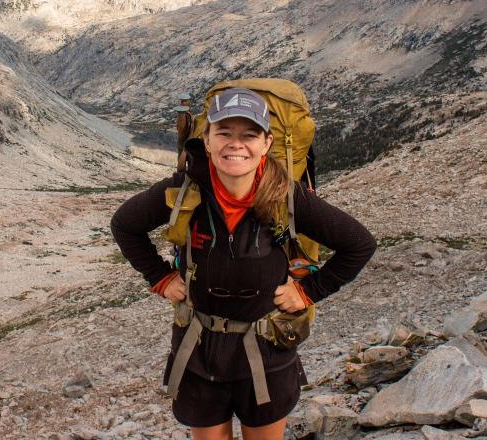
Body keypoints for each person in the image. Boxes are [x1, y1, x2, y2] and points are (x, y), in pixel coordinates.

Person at [111, 87, 376, 440]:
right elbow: (125, 225)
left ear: (266, 143)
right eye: (224, 132)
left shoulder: (287, 195)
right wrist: (159, 277)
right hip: (198, 347)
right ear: (206, 140)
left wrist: (309, 291)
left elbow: (359, 244)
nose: (236, 144)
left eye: (249, 135)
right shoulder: (185, 190)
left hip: (266, 351)